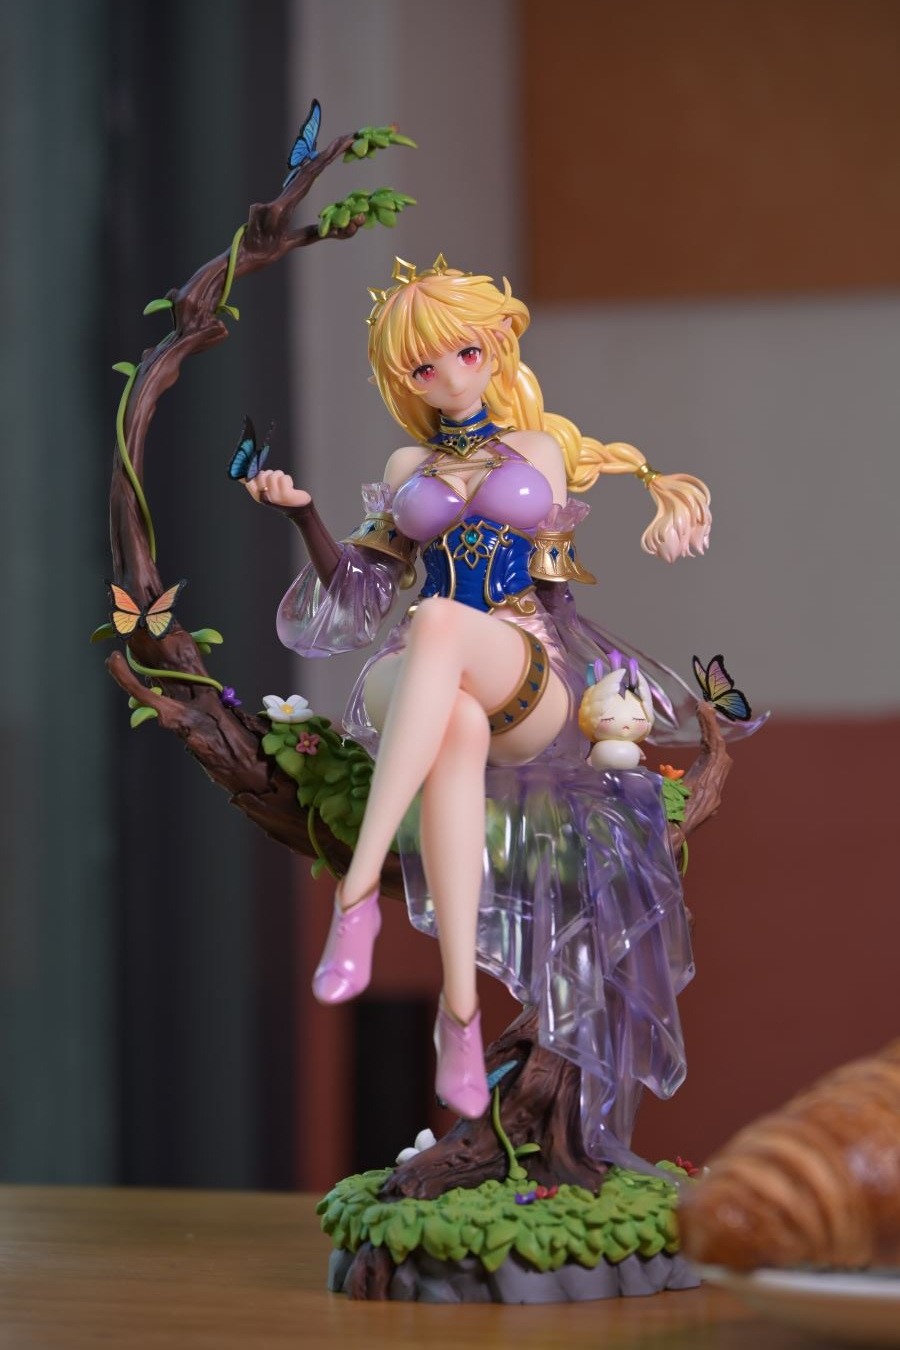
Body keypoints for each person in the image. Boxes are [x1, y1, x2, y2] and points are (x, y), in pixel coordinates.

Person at [246, 255, 712, 1153]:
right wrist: (303, 515)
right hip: (425, 670)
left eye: (464, 352)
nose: (450, 376)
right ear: (405, 380)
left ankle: (356, 896)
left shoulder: (538, 450)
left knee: (443, 624)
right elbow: (361, 591)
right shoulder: (406, 463)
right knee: (447, 707)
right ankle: (458, 1013)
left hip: (520, 665)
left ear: (495, 346)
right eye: (424, 367)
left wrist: (603, 681)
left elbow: (549, 572)